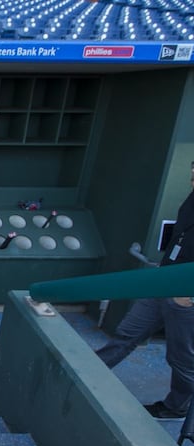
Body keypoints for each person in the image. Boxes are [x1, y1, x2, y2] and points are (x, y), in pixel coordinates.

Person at [95, 166, 194, 419]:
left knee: (181, 357)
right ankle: (88, 372)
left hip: (186, 294)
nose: (192, 177)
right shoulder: (191, 197)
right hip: (163, 280)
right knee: (127, 333)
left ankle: (177, 407)